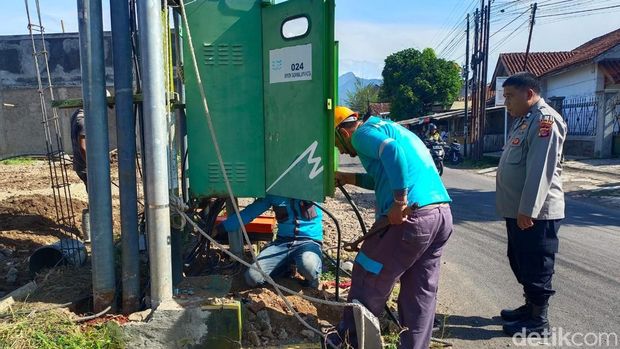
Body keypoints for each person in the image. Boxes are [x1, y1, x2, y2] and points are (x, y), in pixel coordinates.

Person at [330, 106, 453, 349]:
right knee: (419, 292)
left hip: (411, 216)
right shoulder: (392, 127)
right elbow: (385, 174)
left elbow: (392, 151)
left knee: (367, 272)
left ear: (342, 133)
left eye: (337, 145)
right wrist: (347, 177)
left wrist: (399, 202)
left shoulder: (362, 134)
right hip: (440, 215)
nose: (341, 151)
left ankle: (347, 341)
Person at [496, 72, 566, 336]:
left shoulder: (545, 121)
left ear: (529, 94)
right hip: (519, 210)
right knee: (520, 259)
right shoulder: (525, 120)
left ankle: (539, 321)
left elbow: (540, 169)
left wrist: (529, 209)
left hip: (536, 213)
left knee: (537, 263)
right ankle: (530, 307)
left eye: (510, 96)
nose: (506, 103)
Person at [215, 195, 324, 288]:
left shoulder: (313, 186)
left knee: (309, 266)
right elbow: (249, 213)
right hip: (282, 243)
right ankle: (285, 268)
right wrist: (220, 228)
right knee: (253, 277)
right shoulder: (275, 191)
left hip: (309, 242)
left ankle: (312, 281)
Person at [70, 108, 88, 189]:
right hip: (86, 167)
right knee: (98, 196)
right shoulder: (83, 120)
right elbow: (82, 147)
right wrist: (92, 166)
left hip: (80, 165)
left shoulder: (76, 114)